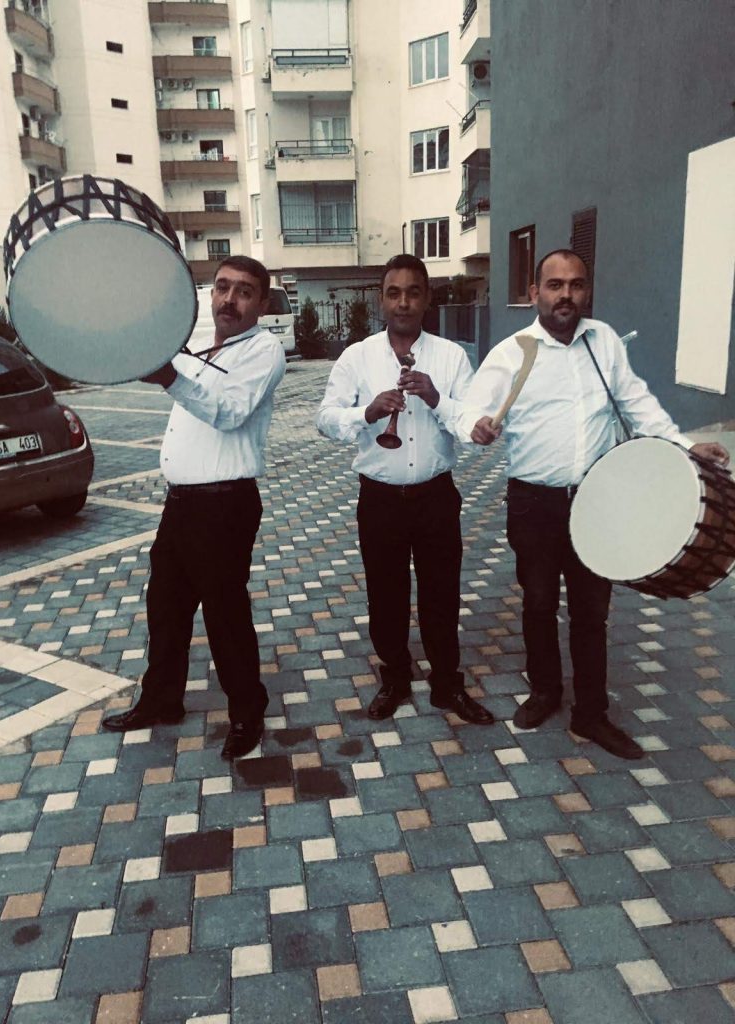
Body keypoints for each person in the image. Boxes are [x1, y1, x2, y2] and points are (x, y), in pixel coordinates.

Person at [459, 248, 729, 759]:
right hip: (533, 504)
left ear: (587, 291)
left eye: (576, 284)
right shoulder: (512, 352)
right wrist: (474, 426)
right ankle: (545, 692)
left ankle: (591, 714)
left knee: (590, 612)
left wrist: (685, 445)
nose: (566, 295)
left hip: (595, 501)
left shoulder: (603, 341)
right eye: (554, 285)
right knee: (539, 604)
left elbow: (637, 404)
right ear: (534, 293)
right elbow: (473, 407)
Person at [102, 255, 286, 758]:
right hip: (180, 504)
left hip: (224, 506)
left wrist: (170, 376)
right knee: (165, 608)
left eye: (244, 291)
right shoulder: (198, 339)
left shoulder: (264, 350)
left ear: (262, 304)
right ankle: (162, 699)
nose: (229, 299)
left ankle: (247, 713)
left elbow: (229, 411)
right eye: (222, 287)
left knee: (225, 616)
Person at [317, 253, 493, 725]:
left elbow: (469, 420)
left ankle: (446, 682)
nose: (403, 303)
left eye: (413, 293)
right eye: (393, 293)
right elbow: (325, 419)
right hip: (380, 498)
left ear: (427, 298)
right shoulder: (357, 357)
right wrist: (367, 412)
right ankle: (395, 676)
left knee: (442, 593)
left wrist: (436, 398)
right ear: (381, 299)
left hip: (436, 495)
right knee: (385, 594)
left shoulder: (451, 356)